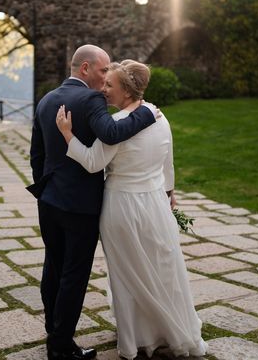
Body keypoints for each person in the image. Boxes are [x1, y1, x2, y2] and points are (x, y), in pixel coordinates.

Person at [55, 60, 207, 360]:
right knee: (160, 268)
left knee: (126, 274)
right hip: (154, 204)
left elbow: (92, 162)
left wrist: (67, 134)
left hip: (121, 206)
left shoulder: (117, 126)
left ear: (125, 91)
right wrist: (169, 194)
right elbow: (168, 162)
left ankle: (135, 338)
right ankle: (166, 329)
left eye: (110, 85)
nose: (104, 89)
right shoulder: (160, 118)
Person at [28, 45, 157, 360]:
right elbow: (112, 133)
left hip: (49, 201)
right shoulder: (90, 98)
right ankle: (59, 347)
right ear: (85, 68)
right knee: (74, 274)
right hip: (80, 206)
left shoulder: (46, 99)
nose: (105, 79)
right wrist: (145, 112)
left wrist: (47, 189)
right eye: (102, 71)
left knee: (53, 266)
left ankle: (54, 330)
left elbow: (37, 155)